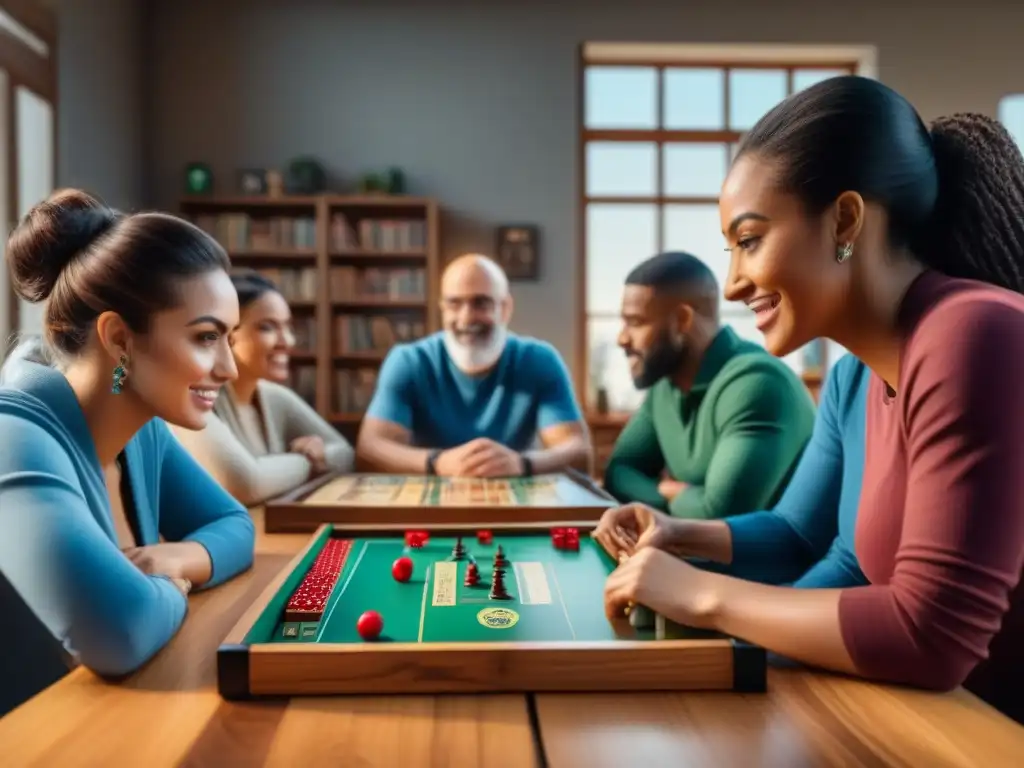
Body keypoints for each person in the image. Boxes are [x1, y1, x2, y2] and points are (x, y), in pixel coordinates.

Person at [597, 76, 1024, 723]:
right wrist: (681, 537)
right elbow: (802, 536)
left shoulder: (976, 332)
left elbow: (933, 634)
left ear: (846, 220)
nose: (734, 284)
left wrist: (703, 597)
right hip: (912, 717)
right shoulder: (853, 374)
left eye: (749, 240)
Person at [0, 190, 256, 695]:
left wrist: (175, 560)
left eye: (230, 337)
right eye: (206, 337)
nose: (229, 367)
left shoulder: (142, 430)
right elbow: (119, 633)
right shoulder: (13, 439)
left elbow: (235, 526)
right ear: (119, 339)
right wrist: (171, 587)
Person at [603, 251, 816, 520]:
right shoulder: (665, 386)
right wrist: (671, 493)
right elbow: (620, 472)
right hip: (698, 556)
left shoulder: (756, 383)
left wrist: (659, 501)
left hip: (779, 561)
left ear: (682, 320)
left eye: (636, 322)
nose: (622, 339)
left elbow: (719, 516)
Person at [356, 254, 591, 477]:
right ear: (442, 309)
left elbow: (579, 452)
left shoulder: (540, 360)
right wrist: (437, 462)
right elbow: (370, 449)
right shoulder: (409, 360)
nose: (466, 317)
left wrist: (522, 463)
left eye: (481, 303)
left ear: (505, 308)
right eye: (454, 304)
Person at [686, 352, 869, 589]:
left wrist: (701, 598)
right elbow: (796, 534)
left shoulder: (759, 381)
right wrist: (671, 535)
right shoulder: (847, 376)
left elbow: (715, 506)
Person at [171, 269, 354, 505]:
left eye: (287, 327)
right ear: (225, 333)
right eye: (267, 327)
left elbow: (345, 454)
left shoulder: (274, 397)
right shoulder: (195, 396)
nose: (287, 341)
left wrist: (282, 470)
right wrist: (308, 460)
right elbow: (245, 483)